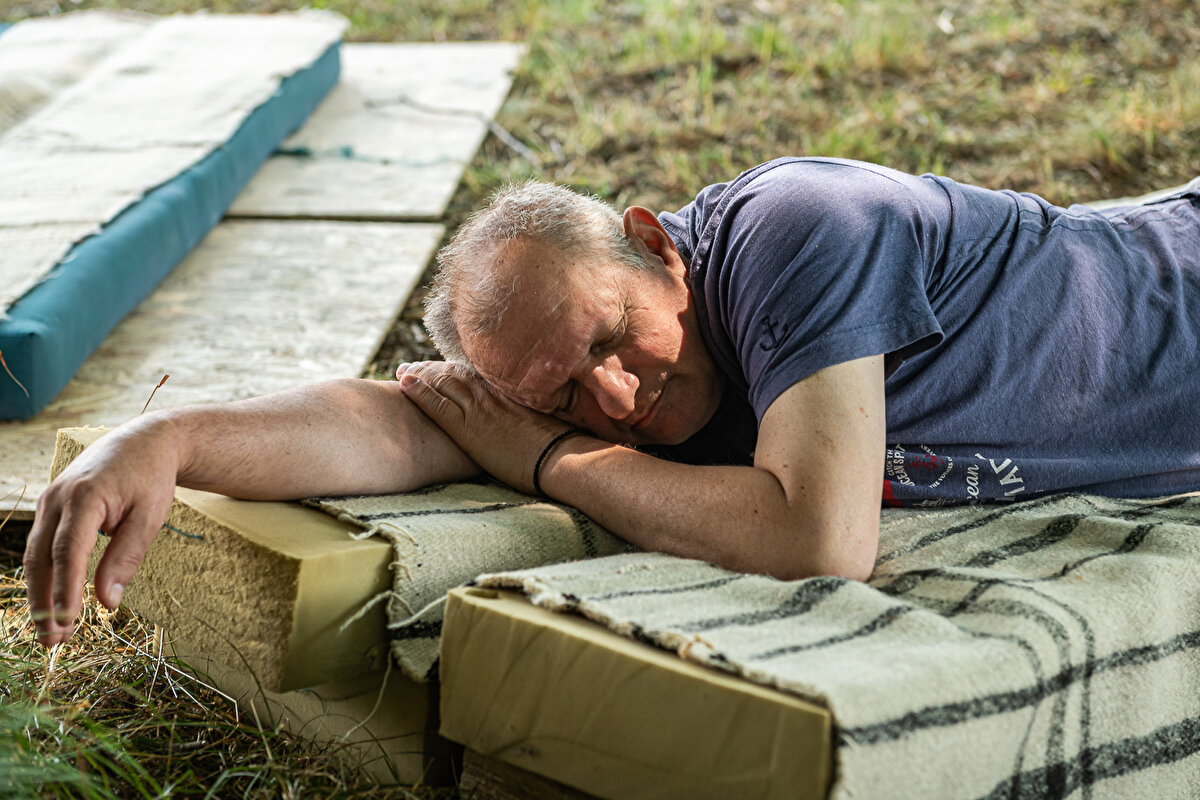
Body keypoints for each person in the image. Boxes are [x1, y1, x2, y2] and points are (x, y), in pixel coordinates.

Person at [25, 157, 1200, 647]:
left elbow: (815, 541)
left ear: (652, 244)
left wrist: (547, 457)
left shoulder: (796, 232)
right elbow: (387, 417)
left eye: (609, 337)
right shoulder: (566, 370)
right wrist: (163, 436)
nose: (620, 395)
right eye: (562, 396)